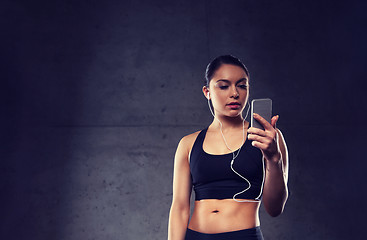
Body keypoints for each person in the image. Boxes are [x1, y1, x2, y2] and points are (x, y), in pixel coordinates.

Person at [168, 55, 289, 240]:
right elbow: (179, 208)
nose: (234, 93)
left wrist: (274, 159)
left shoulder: (268, 138)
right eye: (224, 86)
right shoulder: (188, 144)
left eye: (242, 85)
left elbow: (275, 209)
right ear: (207, 91)